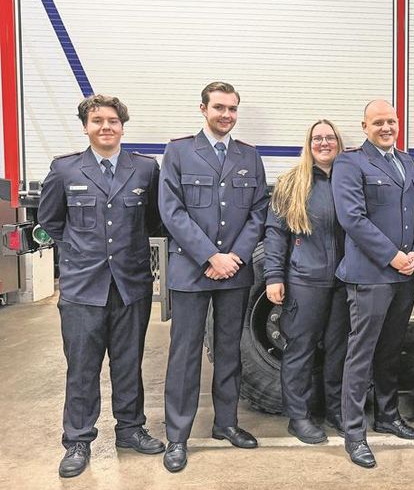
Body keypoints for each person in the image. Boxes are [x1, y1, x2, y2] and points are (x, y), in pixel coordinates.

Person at [39, 95, 164, 478]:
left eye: (112, 121)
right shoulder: (65, 169)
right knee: (82, 367)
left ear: (122, 126)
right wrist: (82, 252)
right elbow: (51, 221)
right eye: (97, 121)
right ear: (85, 127)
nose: (105, 127)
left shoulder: (145, 169)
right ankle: (78, 440)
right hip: (83, 288)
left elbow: (154, 220)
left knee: (128, 363)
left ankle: (130, 429)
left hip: (130, 284)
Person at [159, 82, 269, 472]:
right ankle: (177, 436)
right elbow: (171, 211)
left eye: (232, 109)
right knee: (185, 355)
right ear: (203, 109)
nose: (226, 115)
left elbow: (259, 211)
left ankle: (226, 423)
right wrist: (210, 256)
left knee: (229, 352)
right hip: (192, 270)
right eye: (219, 107)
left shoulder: (249, 155)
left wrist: (234, 257)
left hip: (234, 273)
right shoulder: (178, 152)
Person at [332, 100, 414, 468]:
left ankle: (387, 415)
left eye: (392, 121)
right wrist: (392, 256)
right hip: (370, 275)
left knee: (390, 350)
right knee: (361, 354)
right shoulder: (349, 163)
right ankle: (354, 434)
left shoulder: (407, 161)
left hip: (404, 276)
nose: (386, 127)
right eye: (378, 122)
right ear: (364, 127)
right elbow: (352, 218)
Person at [264, 120, 348, 444]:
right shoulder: (291, 183)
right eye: (317, 138)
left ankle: (336, 411)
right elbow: (275, 233)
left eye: (330, 138)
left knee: (339, 350)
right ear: (308, 144)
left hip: (343, 280)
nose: (324, 143)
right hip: (305, 281)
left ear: (338, 143)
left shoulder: (349, 180)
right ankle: (298, 417)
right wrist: (274, 275)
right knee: (300, 349)